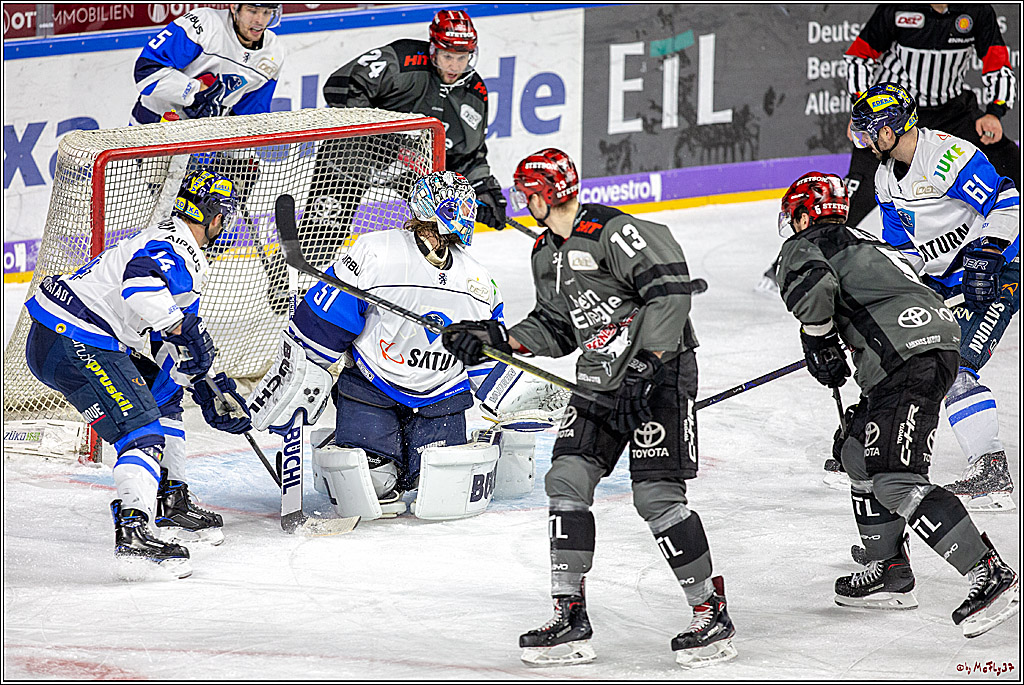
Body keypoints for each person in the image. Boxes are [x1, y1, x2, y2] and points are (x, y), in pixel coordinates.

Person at [442, 149, 735, 668]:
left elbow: (670, 294)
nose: (523, 201)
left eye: (526, 192)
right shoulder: (544, 252)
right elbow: (557, 328)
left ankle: (709, 609)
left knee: (657, 496)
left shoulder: (613, 232)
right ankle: (569, 613)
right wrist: (496, 339)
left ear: (542, 194)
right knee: (566, 479)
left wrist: (647, 362)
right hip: (600, 379)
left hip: (659, 374)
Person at [774, 170, 1019, 638]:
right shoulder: (866, 240)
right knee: (855, 451)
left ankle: (989, 573)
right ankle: (889, 568)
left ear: (804, 216)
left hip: (908, 358)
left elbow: (815, 290)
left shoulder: (805, 245)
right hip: (935, 344)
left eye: (795, 216)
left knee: (895, 480)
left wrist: (819, 339)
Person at [247, 171, 557, 520]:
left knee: (441, 488)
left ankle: (452, 446)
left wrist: (515, 397)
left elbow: (483, 356)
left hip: (441, 395)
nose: (455, 224)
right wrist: (300, 374)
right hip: (372, 386)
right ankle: (344, 443)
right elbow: (325, 322)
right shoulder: (377, 253)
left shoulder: (479, 283)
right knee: (373, 486)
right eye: (451, 214)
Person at [22, 169, 253, 579]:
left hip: (70, 336)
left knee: (164, 394)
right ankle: (134, 535)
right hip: (75, 338)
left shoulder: (173, 242)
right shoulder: (175, 246)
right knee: (142, 432)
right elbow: (140, 285)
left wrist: (206, 389)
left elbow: (173, 346)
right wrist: (181, 326)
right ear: (216, 216)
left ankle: (172, 500)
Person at [849, 81, 1019, 511]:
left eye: (868, 132)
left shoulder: (946, 157)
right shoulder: (885, 178)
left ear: (888, 130)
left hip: (1000, 271)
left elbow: (1007, 199)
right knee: (917, 359)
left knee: (958, 368)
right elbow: (904, 249)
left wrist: (989, 252)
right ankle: (875, 450)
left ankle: (992, 471)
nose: (864, 141)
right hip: (947, 281)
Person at [304, 8, 506, 258]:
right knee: (323, 230)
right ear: (433, 49)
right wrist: (379, 137)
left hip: (410, 168)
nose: (454, 66)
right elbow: (342, 85)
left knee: (443, 222)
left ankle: (427, 272)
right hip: (355, 154)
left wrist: (484, 188)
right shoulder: (401, 61)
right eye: (447, 56)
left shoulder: (474, 94)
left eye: (462, 57)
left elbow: (467, 155)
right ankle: (298, 273)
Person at [843, 3, 1019, 227]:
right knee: (857, 193)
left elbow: (997, 62)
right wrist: (862, 109)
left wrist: (994, 113)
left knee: (1009, 161)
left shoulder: (977, 9)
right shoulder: (897, 8)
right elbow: (859, 57)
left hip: (952, 111)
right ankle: (834, 239)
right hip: (893, 116)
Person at [131, 3, 284, 125]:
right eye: (252, 11)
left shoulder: (273, 53)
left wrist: (237, 153)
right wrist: (196, 92)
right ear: (234, 7)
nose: (259, 20)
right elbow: (146, 73)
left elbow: (249, 119)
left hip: (203, 142)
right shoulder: (204, 23)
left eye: (267, 12)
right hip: (153, 126)